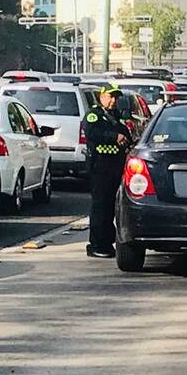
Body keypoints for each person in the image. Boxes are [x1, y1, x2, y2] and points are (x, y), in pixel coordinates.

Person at [81, 84, 132, 258]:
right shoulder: (95, 116)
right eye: (110, 97)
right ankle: (97, 245)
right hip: (100, 168)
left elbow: (127, 136)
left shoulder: (117, 118)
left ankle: (107, 243)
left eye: (116, 98)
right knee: (100, 207)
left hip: (116, 168)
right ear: (101, 96)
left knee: (111, 208)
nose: (113, 101)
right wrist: (114, 136)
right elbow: (92, 132)